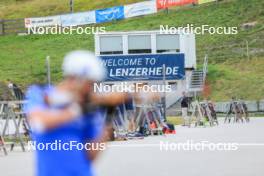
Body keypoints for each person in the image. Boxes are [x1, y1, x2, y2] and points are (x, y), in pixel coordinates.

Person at [24, 50, 130, 176]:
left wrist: (109, 115)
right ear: (75, 78)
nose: (91, 88)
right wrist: (78, 110)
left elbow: (90, 156)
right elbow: (39, 122)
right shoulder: (40, 93)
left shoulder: (87, 106)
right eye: (89, 83)